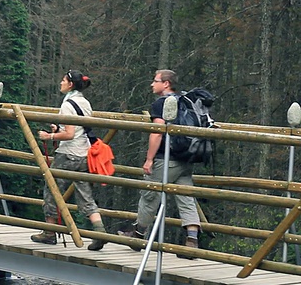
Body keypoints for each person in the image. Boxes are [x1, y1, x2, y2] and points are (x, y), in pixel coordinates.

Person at [118, 69, 200, 259]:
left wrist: (149, 159)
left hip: (166, 159)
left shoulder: (161, 104)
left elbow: (157, 132)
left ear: (166, 84)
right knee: (186, 198)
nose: (151, 84)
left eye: (155, 81)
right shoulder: (186, 101)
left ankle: (138, 235)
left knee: (149, 195)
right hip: (186, 158)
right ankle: (192, 241)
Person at [30, 70, 107, 251]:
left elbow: (70, 134)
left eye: (63, 80)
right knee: (85, 195)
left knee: (51, 189)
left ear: (70, 84)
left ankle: (49, 232)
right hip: (84, 154)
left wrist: (49, 136)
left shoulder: (67, 105)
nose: (60, 83)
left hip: (68, 154)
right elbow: (79, 128)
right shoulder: (85, 102)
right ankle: (100, 231)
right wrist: (59, 127)